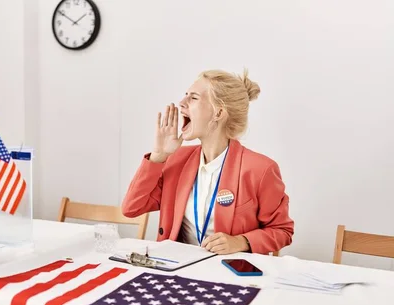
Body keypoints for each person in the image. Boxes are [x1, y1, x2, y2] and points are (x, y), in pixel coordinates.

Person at [121, 69, 294, 255]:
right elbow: (131, 208)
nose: (182, 103)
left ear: (218, 113)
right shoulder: (176, 159)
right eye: (185, 95)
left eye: (193, 98)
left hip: (227, 274)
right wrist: (158, 156)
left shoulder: (261, 169)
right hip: (177, 270)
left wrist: (241, 241)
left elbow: (282, 230)